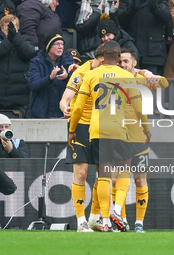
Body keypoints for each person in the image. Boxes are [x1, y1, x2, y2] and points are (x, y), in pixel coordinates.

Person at [68, 41, 151, 232]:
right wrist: (146, 129)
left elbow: (78, 107)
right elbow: (139, 107)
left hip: (97, 130)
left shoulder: (91, 75)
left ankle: (105, 220)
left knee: (103, 175)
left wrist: (72, 129)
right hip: (120, 130)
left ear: (103, 56)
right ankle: (117, 209)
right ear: (119, 56)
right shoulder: (127, 76)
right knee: (123, 171)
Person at [119, 47, 168, 232]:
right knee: (117, 181)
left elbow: (164, 84)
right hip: (118, 137)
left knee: (140, 180)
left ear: (134, 63)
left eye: (125, 61)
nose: (122, 65)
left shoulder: (141, 80)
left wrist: (152, 75)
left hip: (139, 138)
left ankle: (139, 223)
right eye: (120, 62)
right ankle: (121, 221)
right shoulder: (113, 80)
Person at [59, 44, 105, 232]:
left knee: (103, 175)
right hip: (81, 127)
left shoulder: (110, 73)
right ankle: (81, 221)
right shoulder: (81, 73)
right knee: (81, 173)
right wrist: (65, 109)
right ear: (102, 60)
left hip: (102, 127)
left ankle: (94, 218)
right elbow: (64, 100)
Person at [0, 15, 36, 118]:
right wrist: (9, 40)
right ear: (1, 26)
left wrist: (15, 38)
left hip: (19, 98)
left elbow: (29, 53)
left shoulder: (24, 39)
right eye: (8, 25)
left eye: (14, 25)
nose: (11, 28)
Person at [118, 0, 172, 75]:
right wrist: (133, 8)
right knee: (130, 85)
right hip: (131, 52)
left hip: (153, 53)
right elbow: (120, 20)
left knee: (152, 84)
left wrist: (154, 7)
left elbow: (167, 18)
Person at [28, 33, 74, 118]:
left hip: (63, 112)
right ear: (48, 47)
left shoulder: (69, 59)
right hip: (42, 113)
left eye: (62, 44)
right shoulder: (36, 62)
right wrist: (49, 78)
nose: (60, 47)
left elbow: (78, 83)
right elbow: (33, 85)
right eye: (57, 44)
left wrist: (66, 77)